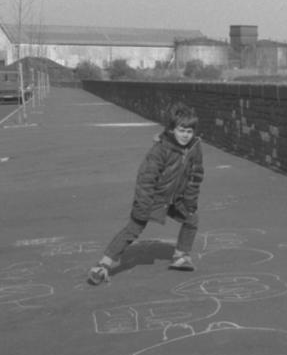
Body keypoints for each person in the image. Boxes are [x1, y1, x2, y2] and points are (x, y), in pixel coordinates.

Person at [86, 102, 205, 285]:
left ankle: (181, 256)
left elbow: (196, 175)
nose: (186, 135)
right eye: (182, 130)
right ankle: (103, 265)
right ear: (172, 129)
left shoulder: (194, 148)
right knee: (133, 228)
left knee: (191, 219)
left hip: (177, 198)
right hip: (155, 197)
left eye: (189, 132)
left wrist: (190, 200)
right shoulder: (160, 150)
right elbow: (146, 179)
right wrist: (143, 205)